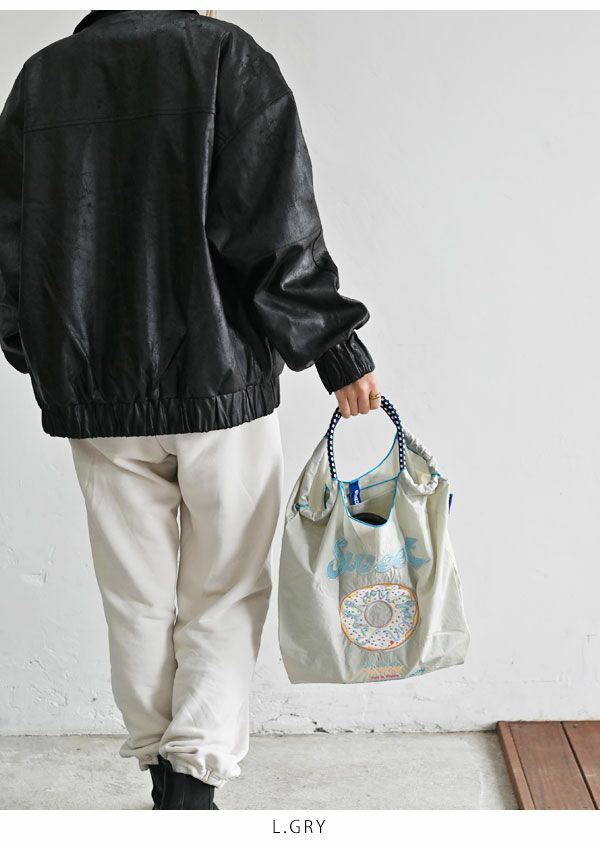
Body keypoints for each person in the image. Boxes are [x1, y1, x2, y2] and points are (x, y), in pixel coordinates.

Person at [0, 10, 380, 810]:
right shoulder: (224, 56)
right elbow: (273, 220)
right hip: (222, 385)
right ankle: (191, 781)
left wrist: (35, 348)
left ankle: (162, 774)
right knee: (225, 588)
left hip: (98, 390)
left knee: (134, 596)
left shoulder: (44, 76)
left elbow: (9, 235)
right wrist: (335, 347)